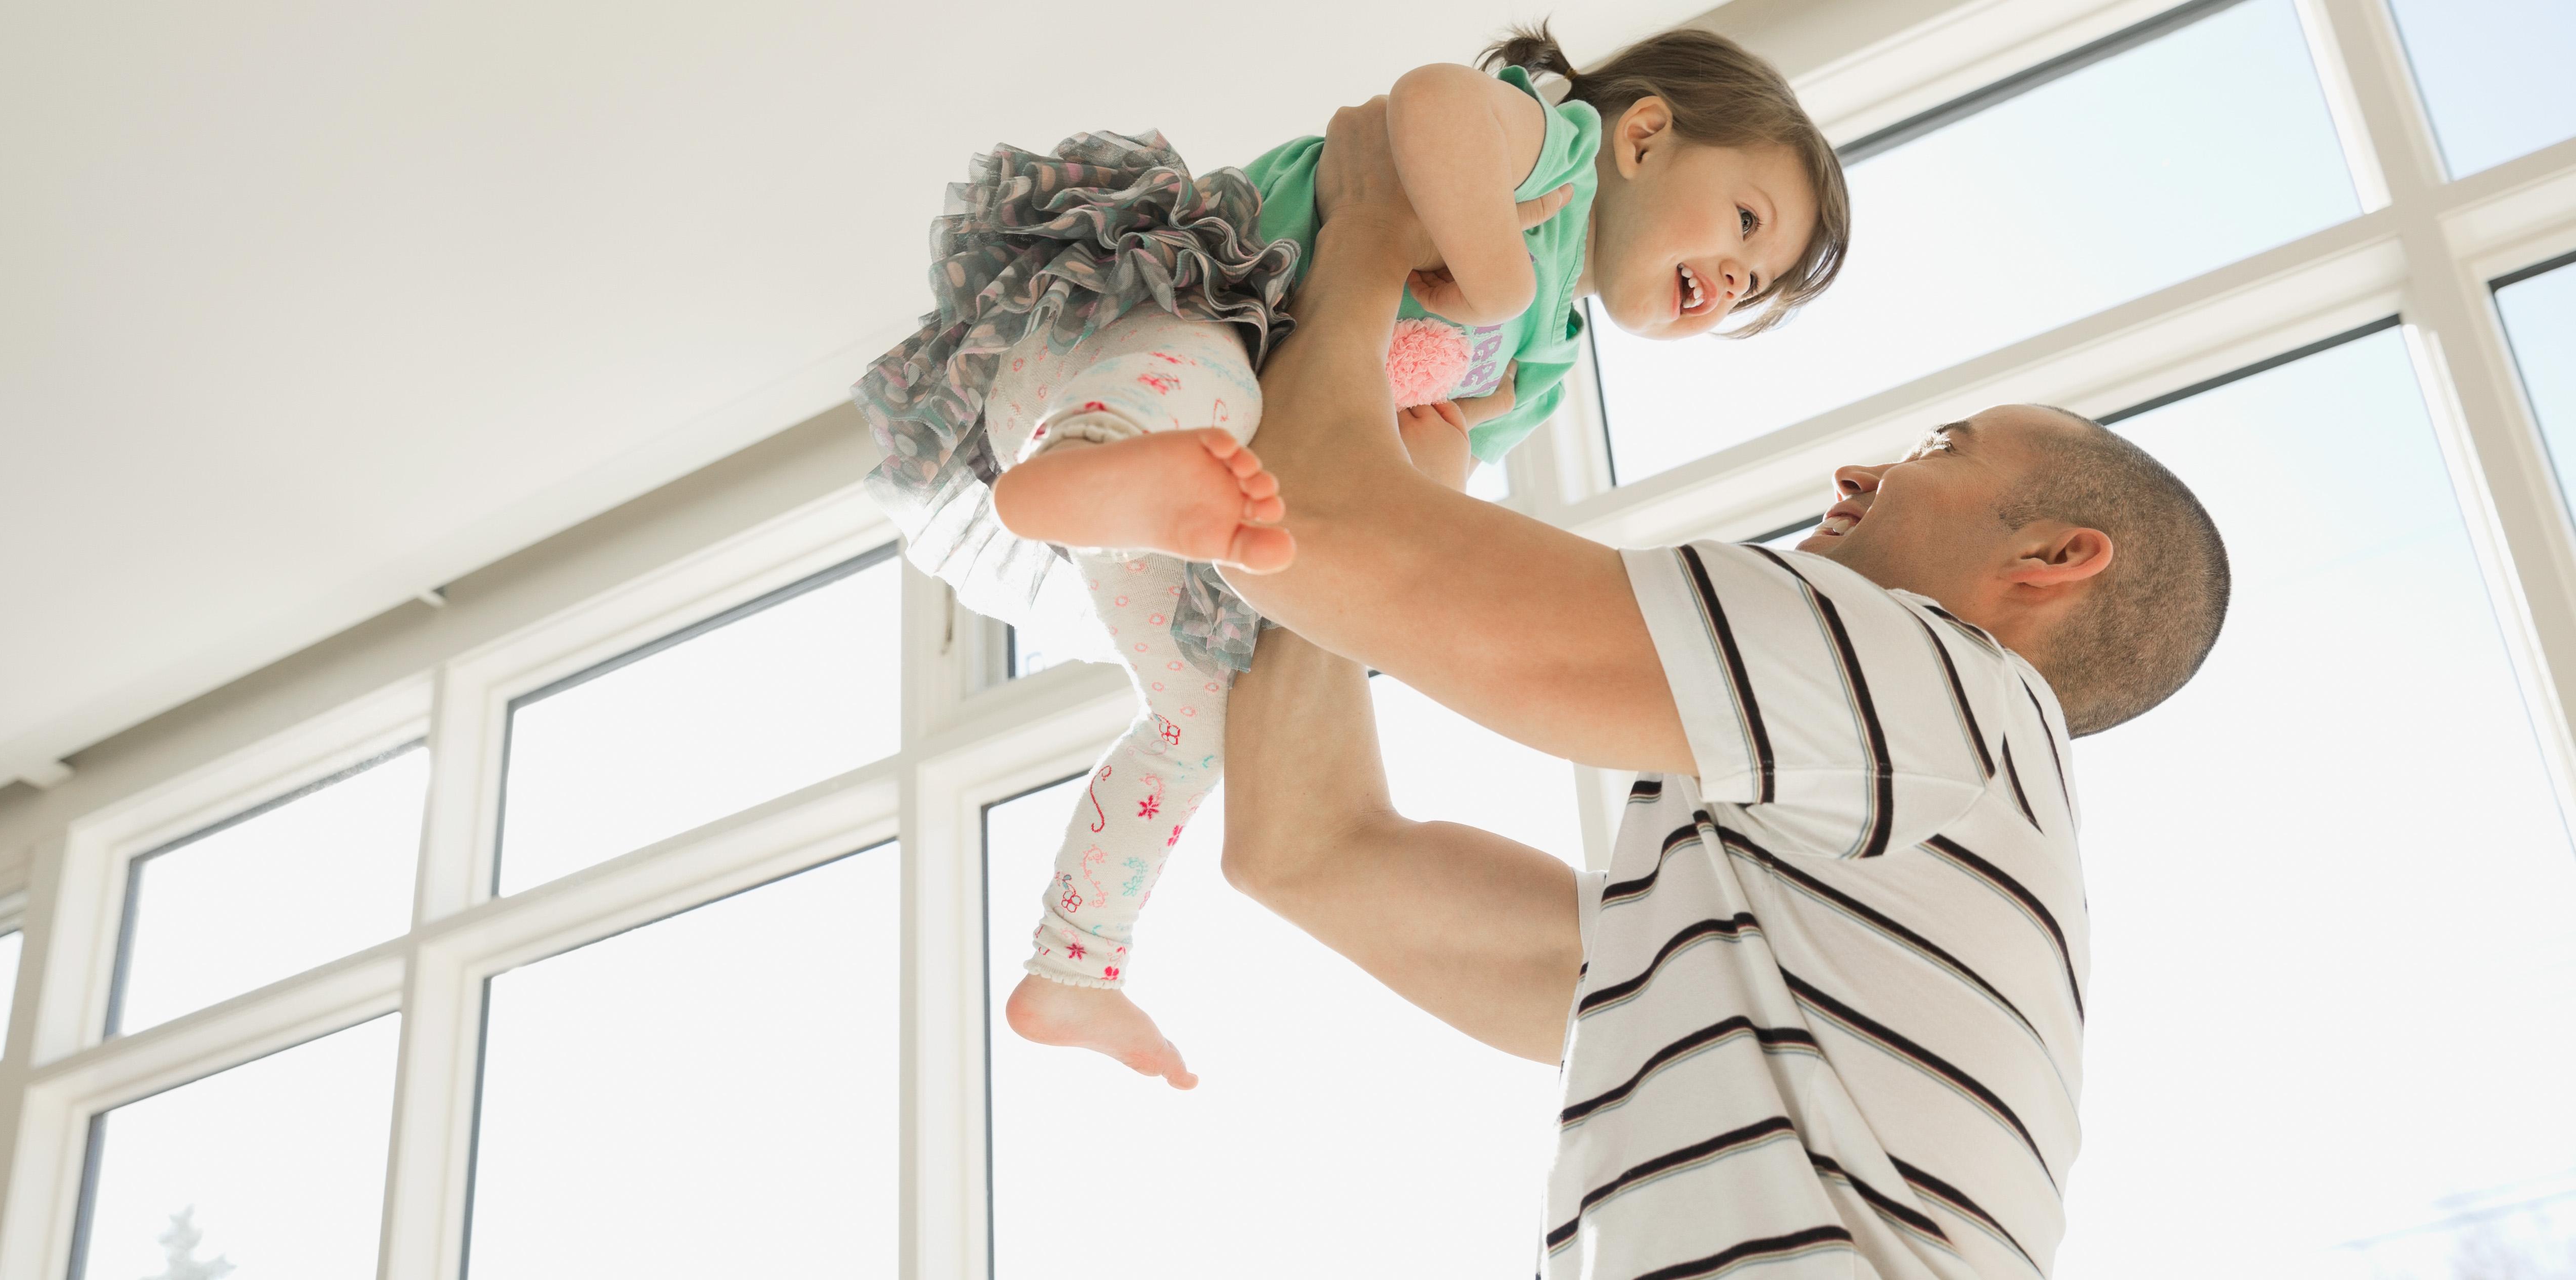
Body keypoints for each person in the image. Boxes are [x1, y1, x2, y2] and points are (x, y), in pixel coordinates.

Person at [1211, 100, 2230, 1278]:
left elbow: (1316, 522)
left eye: (1943, 448)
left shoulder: (1945, 689)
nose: (1859, 470)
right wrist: (1373, 454)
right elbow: (1303, 845)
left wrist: (1371, 243)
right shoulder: (1771, 914)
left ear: (2054, 560)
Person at [852, 26, 1854, 1087]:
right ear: (1645, 137)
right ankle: (1079, 466)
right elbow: (1430, 103)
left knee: (1198, 724)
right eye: (1749, 221)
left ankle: (1074, 962)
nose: (1739, 274)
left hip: (1181, 472)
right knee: (1224, 383)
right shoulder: (1552, 148)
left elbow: (1407, 492)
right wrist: (1498, 278)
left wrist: (1444, 451)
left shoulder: (1549, 360)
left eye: (1756, 286)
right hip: (1145, 326)